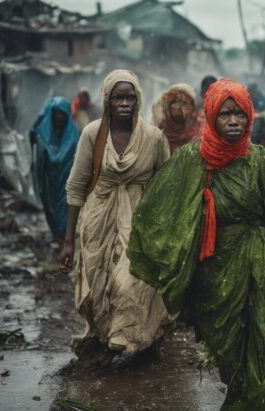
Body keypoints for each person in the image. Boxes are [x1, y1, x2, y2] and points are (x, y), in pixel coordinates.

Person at [127, 78, 265, 411]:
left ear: (250, 117)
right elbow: (161, 212)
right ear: (211, 117)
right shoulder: (192, 159)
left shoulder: (259, 160)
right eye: (225, 115)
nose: (234, 122)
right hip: (214, 275)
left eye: (240, 114)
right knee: (232, 353)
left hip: (262, 267)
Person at [59, 69, 173, 367]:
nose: (124, 103)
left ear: (139, 100)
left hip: (140, 222)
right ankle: (108, 340)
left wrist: (167, 232)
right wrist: (68, 240)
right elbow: (76, 185)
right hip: (98, 221)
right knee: (99, 285)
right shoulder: (93, 134)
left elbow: (167, 186)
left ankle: (132, 342)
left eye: (130, 97)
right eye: (117, 97)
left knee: (132, 282)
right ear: (107, 100)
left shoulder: (153, 137)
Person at [31, 96, 79, 246]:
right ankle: (57, 235)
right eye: (56, 113)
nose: (59, 117)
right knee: (50, 207)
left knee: (66, 206)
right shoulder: (43, 133)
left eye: (62, 113)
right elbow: (35, 142)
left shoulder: (73, 133)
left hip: (67, 178)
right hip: (49, 179)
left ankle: (66, 237)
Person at [152, 83, 201, 154]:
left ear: (192, 108)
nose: (179, 108)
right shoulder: (158, 130)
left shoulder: (197, 135)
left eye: (185, 104)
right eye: (176, 102)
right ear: (168, 105)